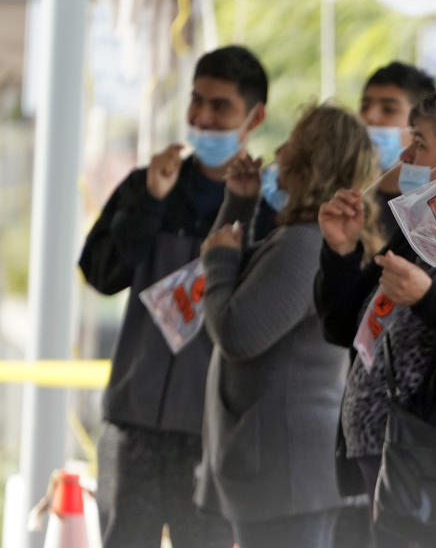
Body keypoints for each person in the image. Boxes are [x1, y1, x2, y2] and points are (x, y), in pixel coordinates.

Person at [79, 45, 267, 548]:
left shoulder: (264, 207)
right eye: (196, 100)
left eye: (221, 105)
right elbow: (99, 274)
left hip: (212, 431)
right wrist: (147, 205)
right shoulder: (147, 185)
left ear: (256, 116)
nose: (203, 117)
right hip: (132, 421)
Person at [315, 90, 436, 547]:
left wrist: (427, 299)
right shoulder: (412, 233)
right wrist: (341, 251)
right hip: (375, 455)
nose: (404, 155)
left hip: (426, 463)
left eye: (419, 143)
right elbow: (343, 328)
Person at [194, 104, 380, 547]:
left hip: (287, 475)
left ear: (312, 162)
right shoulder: (294, 237)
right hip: (277, 473)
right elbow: (232, 289)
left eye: (292, 143)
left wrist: (217, 262)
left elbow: (238, 332)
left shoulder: (304, 245)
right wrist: (238, 205)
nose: (278, 151)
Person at [360, 61, 436, 238]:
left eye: (388, 109)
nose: (369, 117)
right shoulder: (350, 200)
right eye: (364, 107)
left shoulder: (429, 210)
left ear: (420, 123)